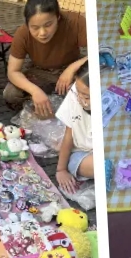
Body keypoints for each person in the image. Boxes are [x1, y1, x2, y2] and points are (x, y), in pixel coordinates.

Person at [5, 0, 88, 117]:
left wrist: (71, 68)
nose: (42, 33)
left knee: (87, 92)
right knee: (11, 94)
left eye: (48, 25)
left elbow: (101, 50)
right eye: (35, 27)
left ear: (58, 17)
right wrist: (35, 91)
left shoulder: (75, 22)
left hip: (72, 71)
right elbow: (13, 71)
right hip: (40, 71)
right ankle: (36, 109)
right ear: (27, 24)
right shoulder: (22, 34)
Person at [54, 61, 93, 194]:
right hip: (82, 155)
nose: (79, 98)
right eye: (78, 92)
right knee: (103, 166)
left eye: (86, 96)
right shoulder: (75, 93)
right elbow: (69, 133)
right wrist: (61, 169)